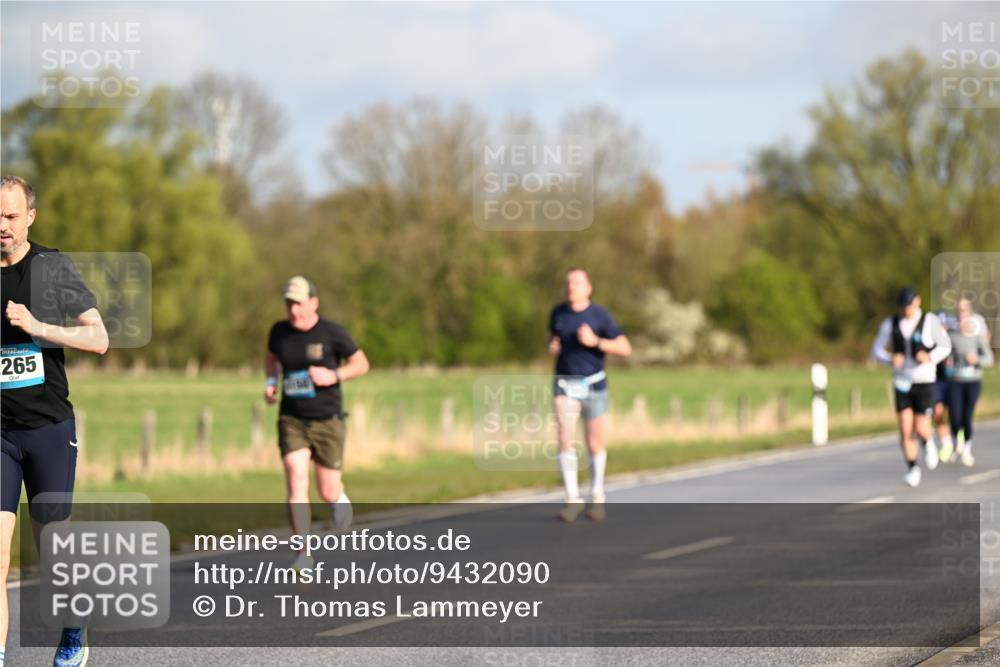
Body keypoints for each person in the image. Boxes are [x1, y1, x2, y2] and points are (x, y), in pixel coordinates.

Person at [0, 176, 109, 667]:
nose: (3, 226)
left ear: (30, 217)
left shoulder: (51, 268)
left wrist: (38, 327)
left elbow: (99, 338)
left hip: (47, 430)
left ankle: (73, 629)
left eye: (11, 216)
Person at [265, 276, 369, 570]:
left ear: (313, 303)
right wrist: (271, 382)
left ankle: (337, 498)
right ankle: (303, 554)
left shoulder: (332, 333)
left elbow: (362, 364)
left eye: (298, 303)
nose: (293, 310)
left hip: (327, 420)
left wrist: (333, 375)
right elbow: (271, 358)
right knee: (296, 477)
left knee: (327, 489)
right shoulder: (279, 332)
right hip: (292, 418)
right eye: (289, 303)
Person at [549, 269, 631, 522]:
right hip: (565, 383)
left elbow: (625, 348)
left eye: (577, 282)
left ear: (588, 288)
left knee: (594, 443)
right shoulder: (558, 313)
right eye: (568, 282)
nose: (571, 286)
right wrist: (553, 346)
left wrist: (596, 342)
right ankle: (572, 499)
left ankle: (596, 496)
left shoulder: (600, 315)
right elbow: (553, 339)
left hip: (593, 384)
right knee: (565, 439)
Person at [871, 287, 951, 487]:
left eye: (909, 305)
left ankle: (928, 442)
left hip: (924, 379)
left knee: (921, 426)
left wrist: (930, 357)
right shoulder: (891, 323)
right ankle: (912, 468)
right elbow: (876, 349)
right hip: (902, 380)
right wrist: (890, 359)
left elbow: (946, 345)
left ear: (917, 302)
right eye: (903, 307)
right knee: (905, 427)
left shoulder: (929, 321)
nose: (906, 310)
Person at [946, 298, 994, 467]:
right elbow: (944, 354)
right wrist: (947, 361)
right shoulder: (951, 335)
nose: (961, 314)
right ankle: (956, 443)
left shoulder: (977, 336)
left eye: (964, 311)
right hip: (955, 380)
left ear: (969, 313)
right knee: (955, 416)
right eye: (959, 311)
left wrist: (976, 359)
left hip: (973, 381)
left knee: (967, 416)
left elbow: (989, 359)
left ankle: (967, 449)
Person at [933, 309, 957, 464]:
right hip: (938, 381)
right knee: (938, 412)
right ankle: (947, 444)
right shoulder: (930, 341)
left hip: (955, 381)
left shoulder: (955, 338)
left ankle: (958, 440)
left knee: (955, 414)